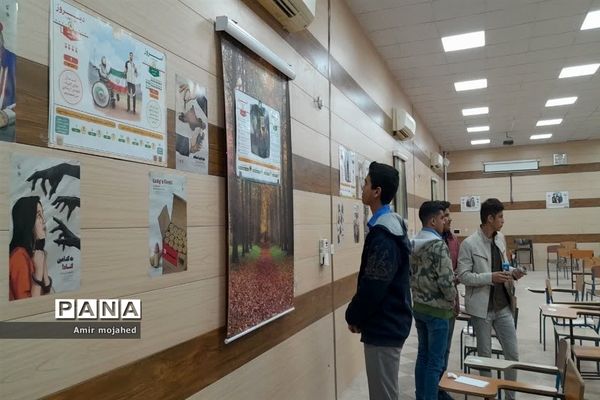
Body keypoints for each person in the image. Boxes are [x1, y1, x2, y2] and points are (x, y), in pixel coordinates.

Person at [345, 161, 412, 400]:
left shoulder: (385, 235)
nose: (362, 187)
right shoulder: (389, 227)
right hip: (387, 323)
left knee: (383, 395)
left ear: (377, 191)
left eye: (365, 183)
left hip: (385, 326)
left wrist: (353, 315)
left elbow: (374, 286)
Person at [457, 198, 525, 400]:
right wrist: (490, 278)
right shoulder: (469, 244)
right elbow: (463, 276)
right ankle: (489, 396)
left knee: (512, 355)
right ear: (489, 218)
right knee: (485, 357)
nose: (503, 220)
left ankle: (510, 397)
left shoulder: (500, 238)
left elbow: (503, 266)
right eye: (501, 216)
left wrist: (513, 272)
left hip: (503, 306)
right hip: (482, 309)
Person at [410, 201, 457, 400]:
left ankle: (421, 396)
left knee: (422, 356)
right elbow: (446, 282)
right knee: (435, 363)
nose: (444, 220)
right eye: (441, 218)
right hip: (438, 312)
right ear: (432, 220)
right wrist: (453, 298)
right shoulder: (438, 245)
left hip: (419, 307)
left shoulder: (413, 242)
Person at [9, 196, 52, 300]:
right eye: (38, 216)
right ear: (27, 220)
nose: (44, 221)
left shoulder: (34, 254)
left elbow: (50, 298)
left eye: (43, 214)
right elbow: (27, 305)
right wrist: (38, 271)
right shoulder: (18, 256)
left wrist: (44, 271)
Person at [439, 202, 460, 383]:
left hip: (451, 302)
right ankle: (432, 388)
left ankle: (441, 384)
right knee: (432, 351)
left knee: (446, 347)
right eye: (445, 215)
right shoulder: (430, 242)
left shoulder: (453, 241)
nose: (449, 218)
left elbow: (458, 267)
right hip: (435, 305)